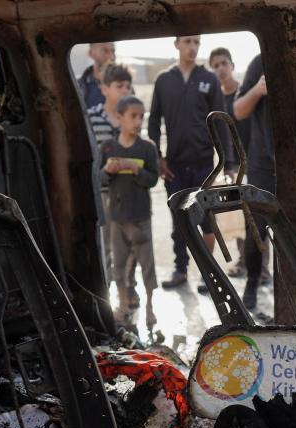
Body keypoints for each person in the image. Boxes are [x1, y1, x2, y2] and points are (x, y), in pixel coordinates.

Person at [148, 35, 232, 293]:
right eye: (187, 42)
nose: (192, 47)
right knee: (178, 220)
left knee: (207, 219)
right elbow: (153, 122)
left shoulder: (208, 79)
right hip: (174, 165)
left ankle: (209, 272)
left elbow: (221, 121)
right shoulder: (164, 80)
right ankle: (180, 269)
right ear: (176, 44)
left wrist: (227, 163)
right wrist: (158, 157)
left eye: (196, 42)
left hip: (205, 164)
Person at [100, 96, 160, 326]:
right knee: (119, 265)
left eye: (141, 117)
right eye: (133, 116)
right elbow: (99, 178)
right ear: (119, 118)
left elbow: (153, 180)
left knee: (147, 266)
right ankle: (123, 306)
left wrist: (136, 170)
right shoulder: (108, 147)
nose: (137, 121)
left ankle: (150, 307)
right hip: (117, 217)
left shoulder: (147, 148)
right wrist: (107, 169)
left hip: (140, 218)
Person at [88, 63, 139, 306]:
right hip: (105, 193)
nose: (125, 91)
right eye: (119, 86)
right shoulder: (91, 117)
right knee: (106, 244)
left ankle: (130, 288)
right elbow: (89, 157)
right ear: (104, 88)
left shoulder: (132, 117)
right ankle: (107, 292)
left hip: (129, 191)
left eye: (128, 86)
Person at [233, 53, 275, 312]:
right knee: (255, 233)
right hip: (262, 166)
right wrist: (259, 90)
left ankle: (292, 295)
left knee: (295, 238)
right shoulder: (260, 62)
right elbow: (238, 110)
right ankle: (251, 284)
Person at [78, 42, 116, 110]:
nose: (111, 57)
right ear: (91, 53)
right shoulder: (77, 86)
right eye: (105, 51)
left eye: (113, 51)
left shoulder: (124, 85)